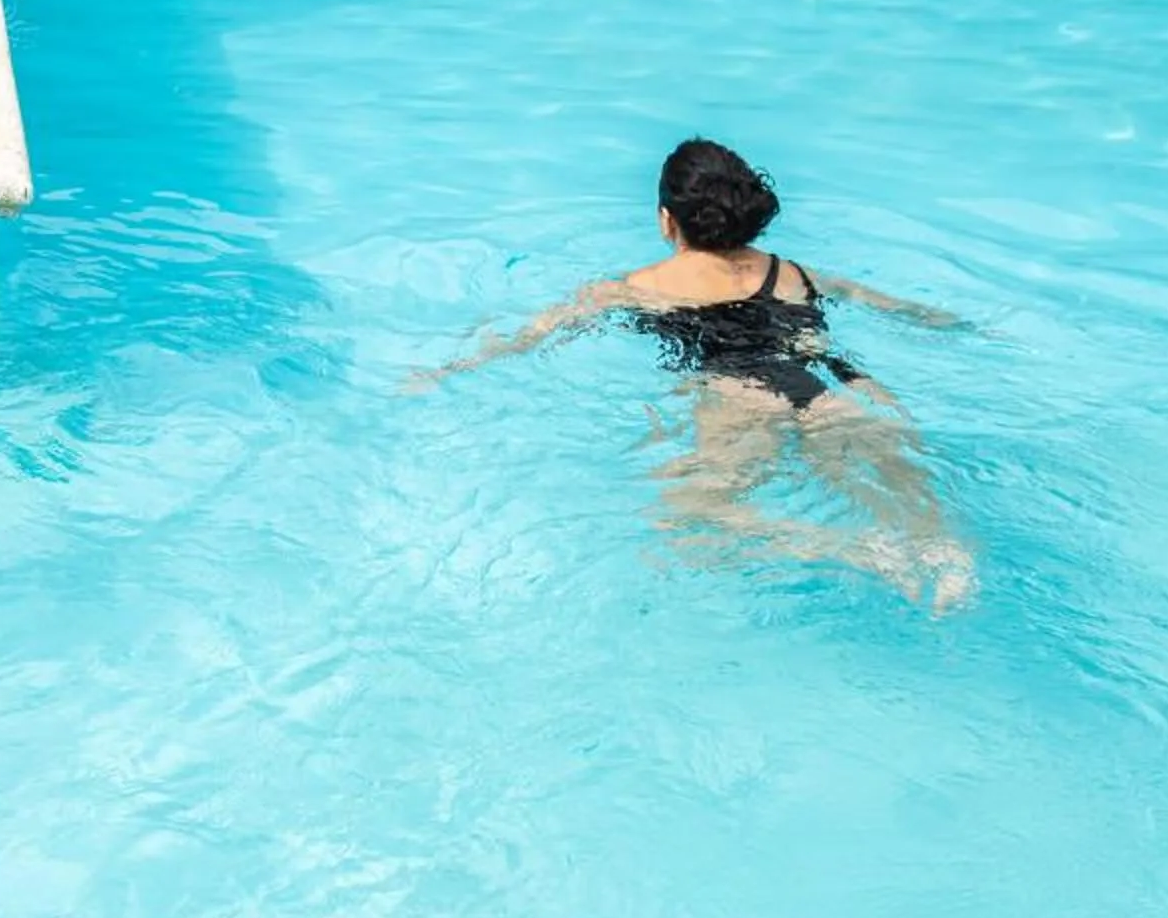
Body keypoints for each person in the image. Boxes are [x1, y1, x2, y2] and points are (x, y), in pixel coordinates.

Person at [417, 139, 976, 611]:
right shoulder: (795, 273)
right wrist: (966, 326)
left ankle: (859, 551)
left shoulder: (639, 286)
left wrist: (446, 370)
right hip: (840, 392)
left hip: (740, 398)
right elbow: (911, 312)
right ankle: (950, 561)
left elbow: (531, 335)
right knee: (913, 504)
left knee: (691, 520)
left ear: (667, 220)